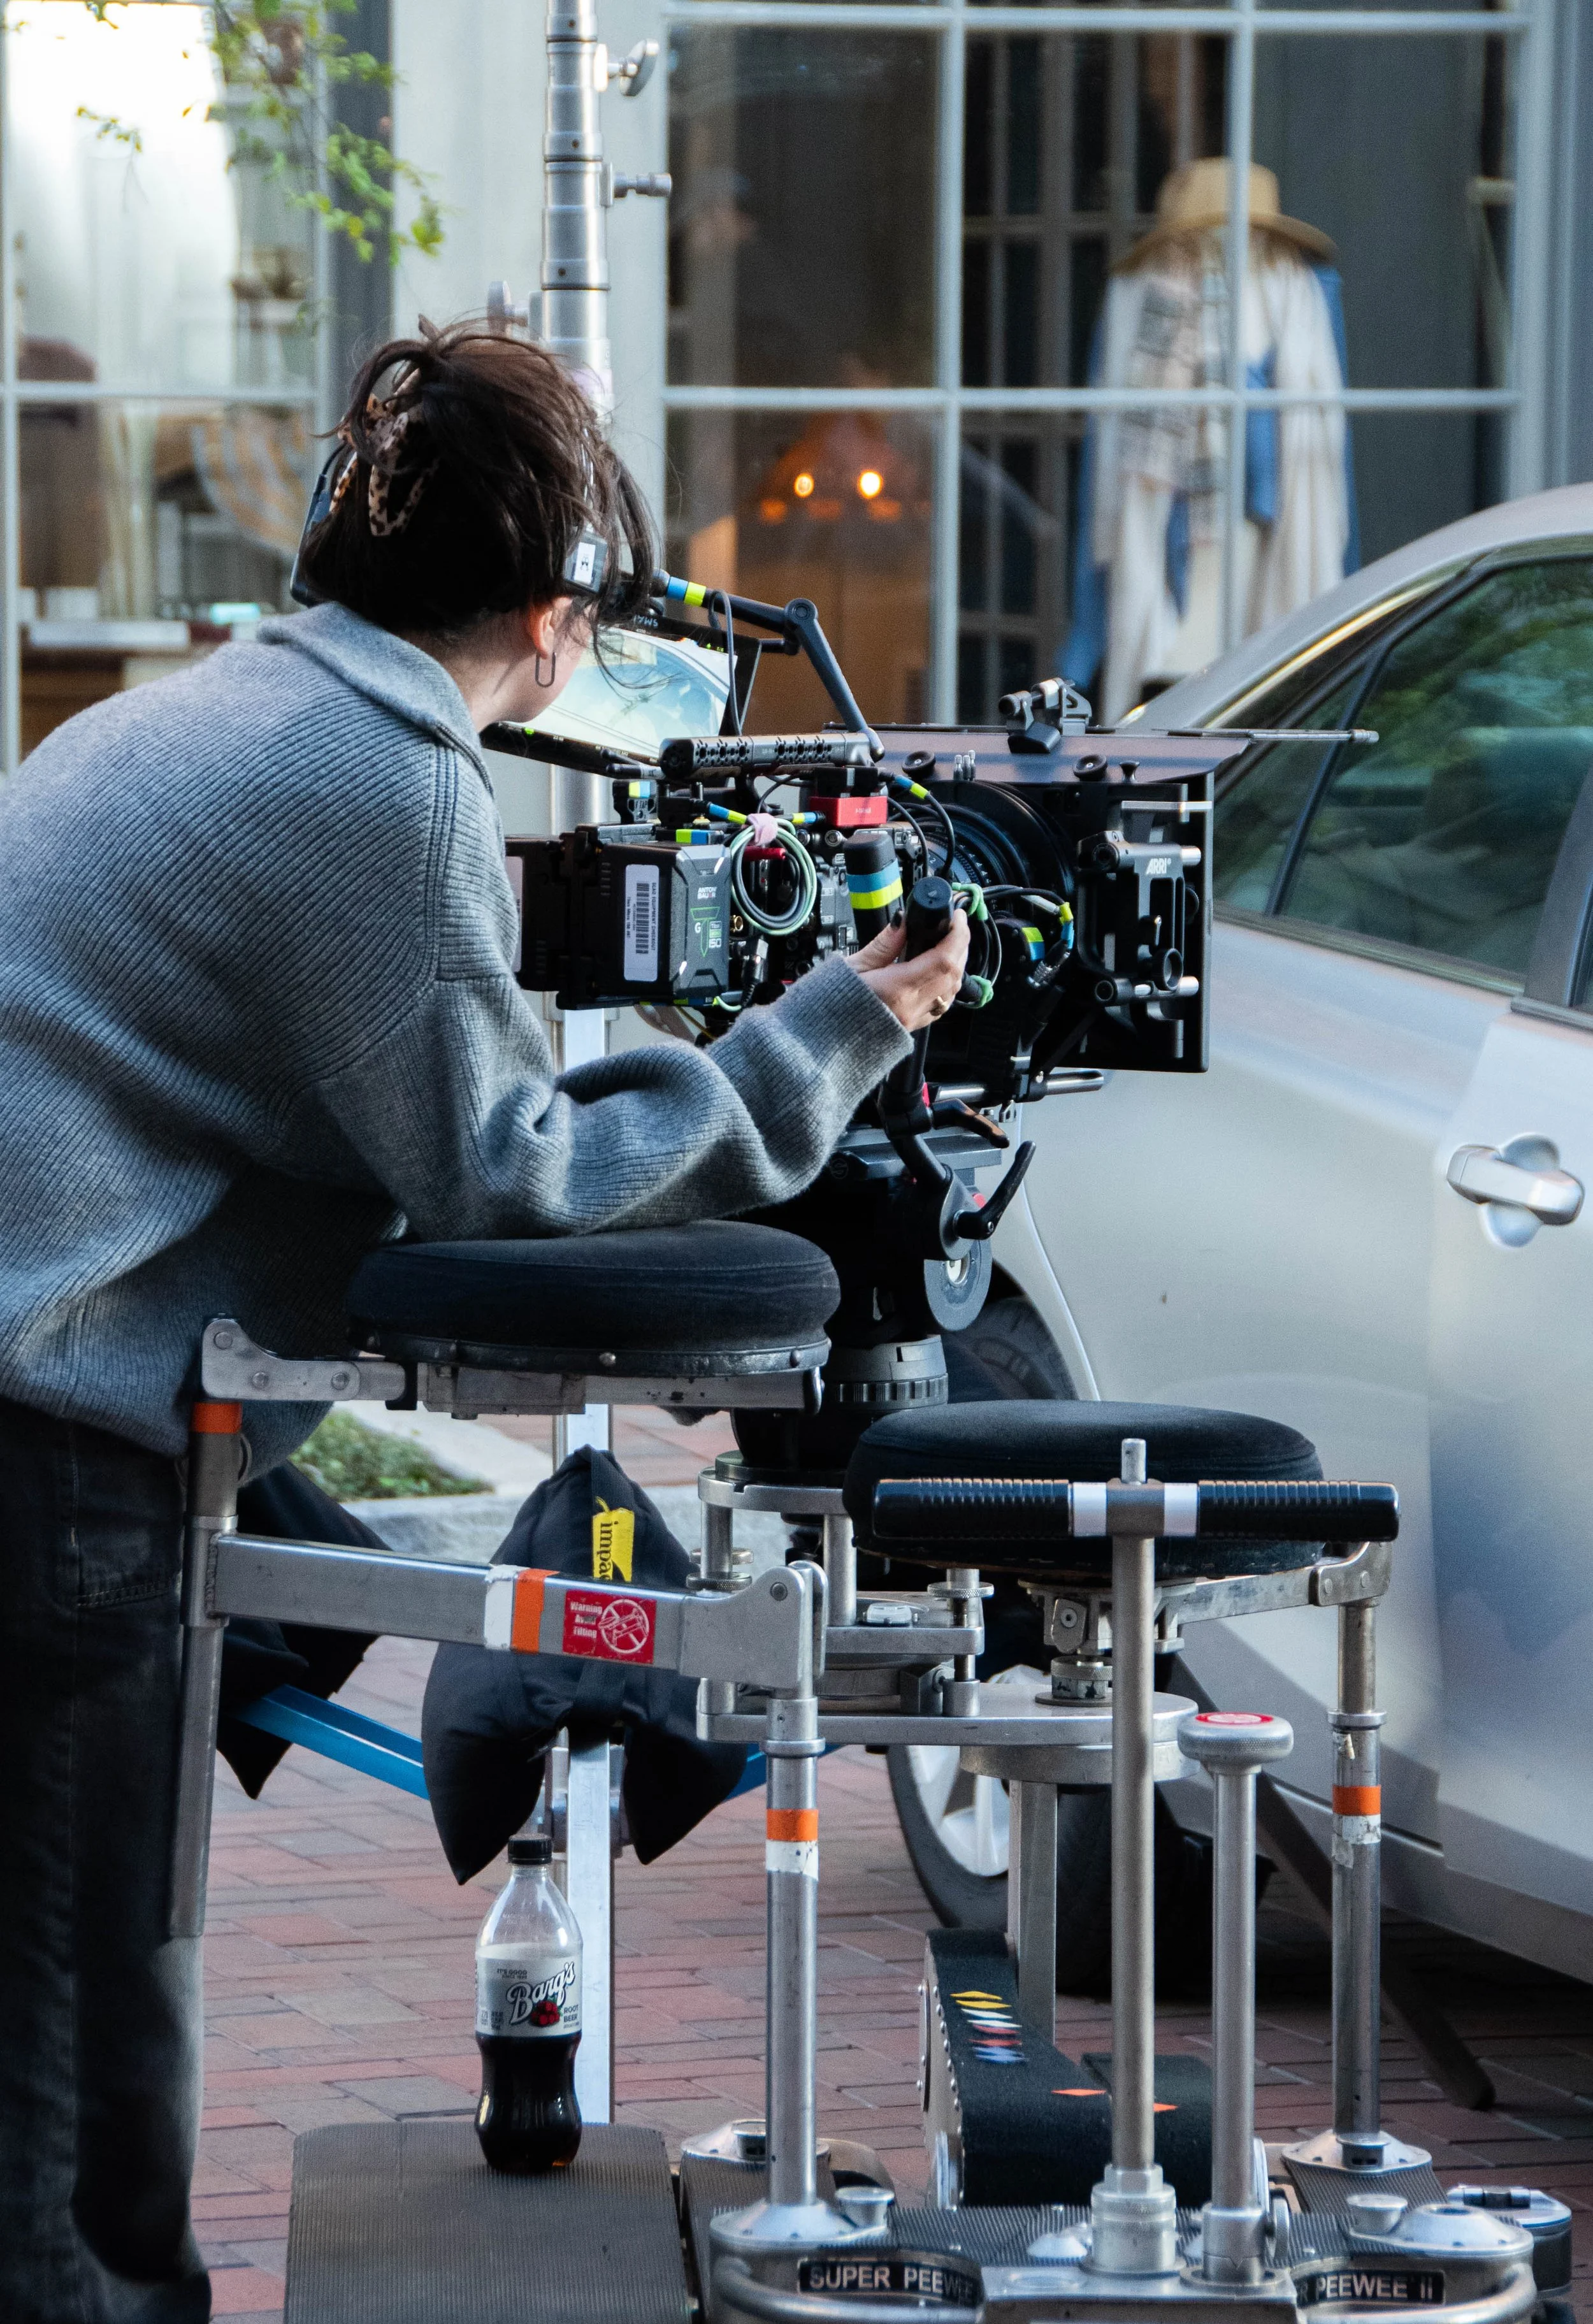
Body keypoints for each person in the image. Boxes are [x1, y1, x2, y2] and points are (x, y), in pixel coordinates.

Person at [0, 320, 969, 2323]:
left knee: (71, 1961)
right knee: (81, 2013)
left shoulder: (192, 714)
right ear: (549, 621)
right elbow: (501, 1164)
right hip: (51, 1428)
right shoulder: (373, 777)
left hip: (51, 1385)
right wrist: (836, 1029)